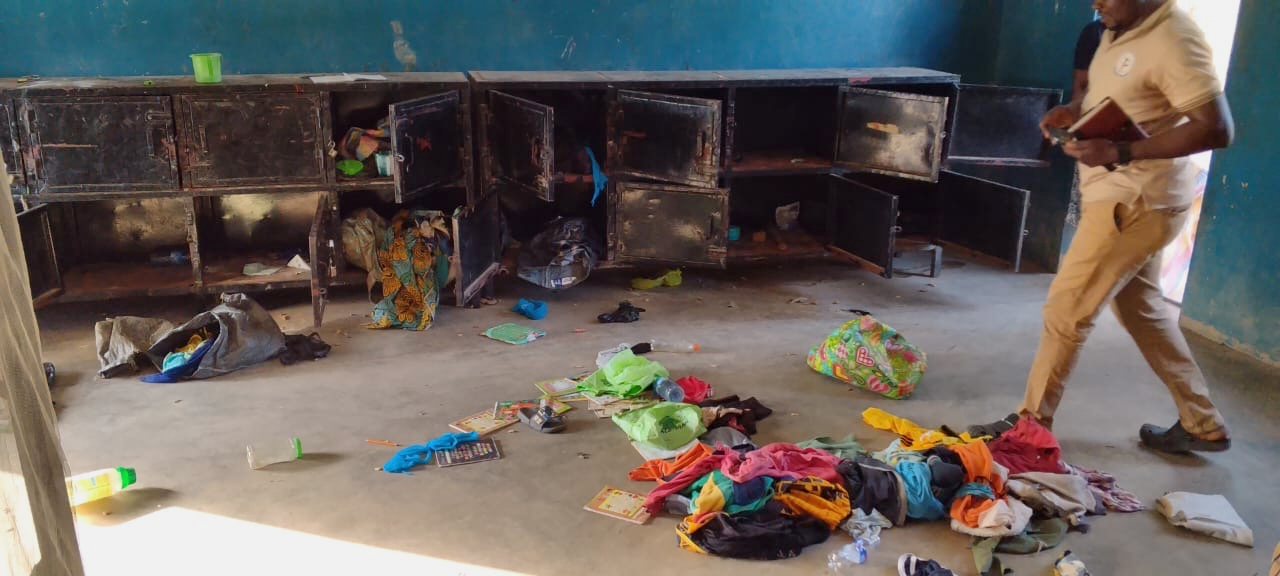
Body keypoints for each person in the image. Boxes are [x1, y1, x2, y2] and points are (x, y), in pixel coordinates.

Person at [975, 0, 1236, 454]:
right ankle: (1202, 422)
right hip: (1124, 197)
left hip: (1136, 200)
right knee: (1143, 310)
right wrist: (1075, 110)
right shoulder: (1118, 27)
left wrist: (1121, 154)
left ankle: (1031, 429)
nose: (1095, 1)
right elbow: (1113, 95)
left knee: (1066, 308)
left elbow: (1217, 129)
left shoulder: (1174, 36)